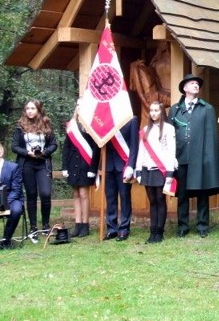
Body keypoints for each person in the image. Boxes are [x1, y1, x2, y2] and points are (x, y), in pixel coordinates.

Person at [169, 74, 219, 238]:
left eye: (197, 84)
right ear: (184, 88)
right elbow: (170, 134)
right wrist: (171, 157)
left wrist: (209, 159)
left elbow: (211, 135)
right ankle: (183, 226)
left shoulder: (207, 108)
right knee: (183, 193)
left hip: (200, 158)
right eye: (192, 83)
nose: (195, 85)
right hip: (181, 158)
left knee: (202, 192)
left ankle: (202, 225)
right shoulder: (175, 109)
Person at [11, 99, 57, 235]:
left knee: (45, 193)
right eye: (28, 109)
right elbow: (14, 146)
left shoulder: (46, 124)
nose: (30, 111)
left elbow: (54, 144)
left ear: (39, 110)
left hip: (43, 163)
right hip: (27, 164)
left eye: (33, 108)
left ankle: (46, 225)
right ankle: (33, 226)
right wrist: (27, 153)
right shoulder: (20, 126)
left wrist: (45, 152)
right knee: (31, 194)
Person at [135, 101, 176, 243]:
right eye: (151, 110)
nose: (153, 113)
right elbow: (141, 151)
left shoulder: (169, 129)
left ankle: (159, 232)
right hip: (147, 169)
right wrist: (138, 170)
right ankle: (152, 232)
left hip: (161, 169)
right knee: (152, 200)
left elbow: (171, 151)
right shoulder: (145, 129)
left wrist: (170, 173)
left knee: (160, 200)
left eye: (156, 110)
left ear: (161, 112)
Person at [61, 99, 100, 238]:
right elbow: (66, 148)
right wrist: (64, 166)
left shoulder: (91, 126)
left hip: (86, 164)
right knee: (76, 194)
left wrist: (93, 168)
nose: (79, 108)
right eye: (77, 106)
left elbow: (96, 149)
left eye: (82, 106)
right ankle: (77, 224)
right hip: (72, 164)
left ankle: (85, 225)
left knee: (84, 194)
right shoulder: (71, 126)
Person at [103, 116, 139, 241]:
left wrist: (131, 165)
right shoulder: (105, 119)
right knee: (110, 198)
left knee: (125, 197)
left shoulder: (131, 119)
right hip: (108, 164)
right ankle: (111, 228)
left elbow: (134, 145)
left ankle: (124, 228)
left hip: (123, 165)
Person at [0, 144, 24, 249]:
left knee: (16, 210)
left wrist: (4, 202)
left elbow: (16, 189)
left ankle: (6, 239)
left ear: (1, 152)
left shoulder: (13, 167)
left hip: (12, 197)